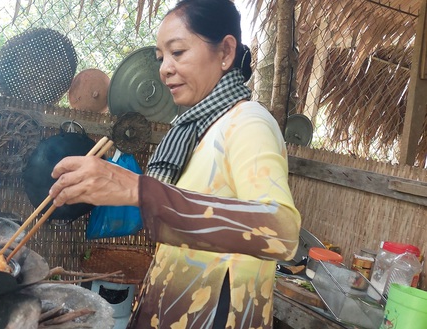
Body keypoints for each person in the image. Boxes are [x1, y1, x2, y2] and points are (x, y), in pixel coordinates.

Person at [47, 0, 302, 328]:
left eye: (178, 52)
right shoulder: (197, 129)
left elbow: (281, 232)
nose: (164, 68)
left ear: (225, 52)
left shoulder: (249, 123)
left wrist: (138, 189)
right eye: (161, 57)